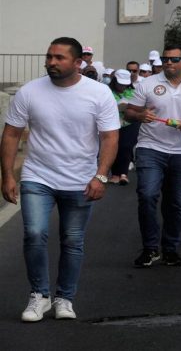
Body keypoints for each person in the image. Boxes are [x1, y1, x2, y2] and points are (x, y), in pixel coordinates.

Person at [1, 37, 119, 322]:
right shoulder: (29, 92)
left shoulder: (99, 93)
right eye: (49, 56)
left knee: (72, 240)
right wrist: (7, 176)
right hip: (38, 176)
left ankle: (65, 297)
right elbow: (11, 133)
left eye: (59, 58)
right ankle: (40, 296)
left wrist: (100, 175)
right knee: (33, 234)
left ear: (78, 63)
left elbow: (110, 136)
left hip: (80, 180)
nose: (51, 62)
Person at [125, 45, 181, 268]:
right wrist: (140, 114)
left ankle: (170, 249)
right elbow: (129, 111)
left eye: (174, 59)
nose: (168, 63)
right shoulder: (147, 84)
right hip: (150, 147)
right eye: (165, 59)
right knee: (147, 195)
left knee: (176, 202)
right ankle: (149, 248)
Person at [109, 69, 139, 186]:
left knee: (126, 146)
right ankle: (115, 174)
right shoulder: (106, 91)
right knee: (114, 146)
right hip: (113, 123)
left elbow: (139, 106)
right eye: (120, 83)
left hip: (130, 122)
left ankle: (123, 174)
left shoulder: (133, 92)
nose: (122, 86)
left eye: (125, 84)